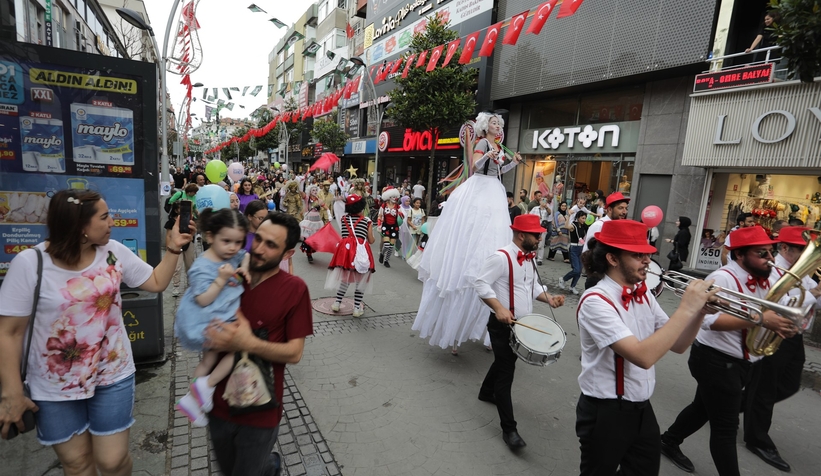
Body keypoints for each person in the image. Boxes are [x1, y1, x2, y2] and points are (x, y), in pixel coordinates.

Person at [0, 190, 194, 474]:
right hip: (54, 385)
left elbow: (155, 281)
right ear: (79, 226)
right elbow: (9, 333)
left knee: (112, 461)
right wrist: (12, 393)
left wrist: (174, 247)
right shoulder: (31, 264)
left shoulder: (113, 252)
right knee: (77, 464)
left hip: (112, 374)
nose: (112, 222)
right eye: (104, 217)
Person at [576, 219, 718, 475]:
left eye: (647, 255)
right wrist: (686, 307)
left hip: (641, 407)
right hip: (605, 410)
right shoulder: (595, 301)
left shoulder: (642, 293)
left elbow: (678, 344)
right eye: (638, 255)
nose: (647, 261)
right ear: (612, 258)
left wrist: (699, 312)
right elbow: (643, 356)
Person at [660, 226, 798, 476]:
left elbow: (776, 311)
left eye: (770, 251)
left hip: (745, 360)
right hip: (715, 360)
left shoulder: (769, 276)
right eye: (762, 253)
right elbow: (711, 322)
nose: (770, 258)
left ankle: (668, 440)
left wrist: (781, 322)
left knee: (702, 407)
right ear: (740, 256)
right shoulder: (723, 278)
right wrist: (760, 320)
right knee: (725, 429)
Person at [202, 212, 313, 476]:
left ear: (288, 254)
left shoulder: (295, 289)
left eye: (271, 245)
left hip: (260, 411)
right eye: (258, 239)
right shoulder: (229, 275)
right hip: (217, 404)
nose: (259, 249)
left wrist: (248, 342)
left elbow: (295, 353)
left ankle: (269, 465)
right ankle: (269, 467)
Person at [412, 111, 523, 354]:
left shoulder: (498, 145)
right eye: (493, 122)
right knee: (472, 238)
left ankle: (484, 331)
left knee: (492, 242)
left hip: (493, 191)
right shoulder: (483, 142)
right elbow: (475, 165)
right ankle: (453, 334)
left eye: (498, 123)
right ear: (486, 126)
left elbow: (499, 171)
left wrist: (513, 161)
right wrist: (489, 156)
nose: (496, 125)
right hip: (480, 191)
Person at [474, 214, 564, 449]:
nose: (539, 240)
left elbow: (532, 288)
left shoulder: (530, 259)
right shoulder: (501, 257)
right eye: (537, 236)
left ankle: (485, 391)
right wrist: (499, 308)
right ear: (521, 235)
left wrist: (550, 299)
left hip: (521, 325)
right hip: (502, 325)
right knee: (507, 372)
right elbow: (480, 283)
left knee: (506, 361)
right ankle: (509, 429)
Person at [743, 226, 820, 472]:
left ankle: (740, 403)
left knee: (789, 384)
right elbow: (779, 303)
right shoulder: (773, 270)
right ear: (784, 248)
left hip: (794, 335)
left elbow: (811, 301)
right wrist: (814, 292)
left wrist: (816, 293)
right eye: (801, 249)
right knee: (766, 388)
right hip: (773, 331)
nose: (805, 253)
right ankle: (757, 440)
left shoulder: (806, 274)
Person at [174, 209, 250, 427]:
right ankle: (206, 386)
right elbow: (203, 299)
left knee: (208, 360)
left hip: (218, 316)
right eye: (226, 241)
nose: (233, 247)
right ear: (210, 237)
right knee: (239, 347)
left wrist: (244, 268)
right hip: (207, 319)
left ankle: (191, 400)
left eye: (238, 241)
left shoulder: (232, 254)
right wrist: (221, 279)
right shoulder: (202, 267)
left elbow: (246, 255)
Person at [326, 194, 376, 318]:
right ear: (361, 207)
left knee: (345, 278)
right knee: (361, 280)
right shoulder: (366, 221)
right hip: (360, 250)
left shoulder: (343, 219)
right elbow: (371, 240)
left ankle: (337, 303)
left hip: (345, 251)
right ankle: (357, 308)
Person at [582, 192, 630, 289]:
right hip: (599, 276)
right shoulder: (599, 225)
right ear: (609, 209)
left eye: (626, 208)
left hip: (614, 277)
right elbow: (589, 252)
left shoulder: (619, 226)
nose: (624, 212)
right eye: (620, 208)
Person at [558, 211, 588, 294]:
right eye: (582, 218)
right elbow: (566, 226)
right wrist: (569, 216)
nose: (584, 220)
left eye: (585, 218)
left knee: (579, 270)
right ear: (578, 218)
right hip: (574, 248)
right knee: (576, 270)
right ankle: (563, 279)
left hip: (581, 248)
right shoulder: (573, 225)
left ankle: (572, 286)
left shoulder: (583, 225)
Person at [377, 187, 404, 268]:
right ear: (388, 197)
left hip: (394, 227)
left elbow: (402, 216)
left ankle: (386, 260)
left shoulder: (398, 206)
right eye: (393, 197)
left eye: (395, 197)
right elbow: (380, 216)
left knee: (391, 246)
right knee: (387, 245)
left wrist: (400, 215)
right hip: (386, 226)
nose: (395, 198)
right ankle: (382, 253)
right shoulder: (384, 205)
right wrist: (379, 224)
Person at [299, 185, 324, 264]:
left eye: (316, 190)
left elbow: (325, 206)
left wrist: (329, 213)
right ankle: (309, 254)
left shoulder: (319, 200)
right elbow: (301, 193)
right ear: (310, 191)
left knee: (314, 239)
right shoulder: (307, 198)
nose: (315, 192)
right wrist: (301, 183)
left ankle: (311, 252)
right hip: (309, 221)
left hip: (317, 222)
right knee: (308, 239)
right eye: (313, 190)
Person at [528, 197, 552, 265]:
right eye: (542, 200)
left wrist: (546, 207)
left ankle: (540, 259)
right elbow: (529, 216)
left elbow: (550, 213)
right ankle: (532, 256)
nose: (543, 202)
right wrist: (536, 218)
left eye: (545, 201)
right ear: (540, 201)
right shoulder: (535, 208)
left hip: (542, 228)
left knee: (541, 244)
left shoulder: (547, 209)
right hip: (535, 228)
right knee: (533, 242)